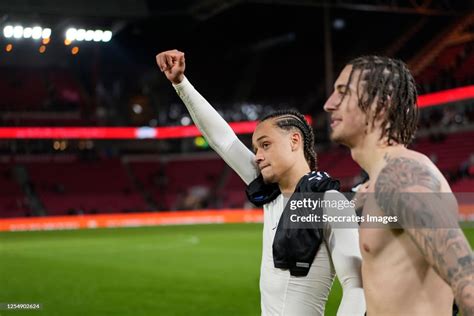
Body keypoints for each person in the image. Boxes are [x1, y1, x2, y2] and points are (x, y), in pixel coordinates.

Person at [156, 49, 365, 315]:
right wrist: (180, 83)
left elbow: (356, 286)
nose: (258, 156)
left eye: (265, 145)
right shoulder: (271, 193)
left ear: (294, 141)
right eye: (256, 149)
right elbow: (225, 140)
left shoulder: (330, 202)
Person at [323, 55, 474, 315]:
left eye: (343, 92)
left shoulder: (403, 177)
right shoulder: (379, 184)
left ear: (381, 105)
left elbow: (467, 280)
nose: (328, 104)